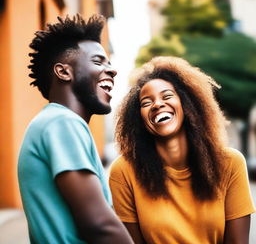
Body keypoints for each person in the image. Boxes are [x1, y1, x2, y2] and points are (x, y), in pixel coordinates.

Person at [109, 56, 255, 244]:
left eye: (167, 96)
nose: (157, 104)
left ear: (187, 104)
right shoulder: (123, 171)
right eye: (146, 102)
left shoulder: (230, 163)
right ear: (139, 119)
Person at [18, 14, 134, 244]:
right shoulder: (62, 123)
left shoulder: (51, 122)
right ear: (63, 72)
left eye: (109, 63)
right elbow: (99, 224)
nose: (112, 71)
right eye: (98, 61)